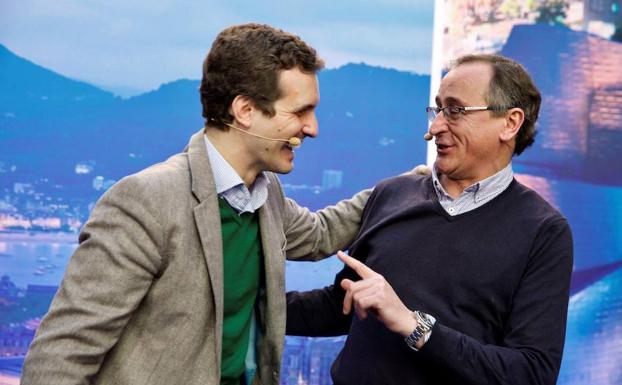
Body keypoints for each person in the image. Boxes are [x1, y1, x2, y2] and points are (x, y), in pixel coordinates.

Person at [21, 23, 372, 385]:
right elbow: (63, 355)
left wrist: (412, 185)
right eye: (300, 112)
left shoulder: (266, 197)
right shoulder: (146, 201)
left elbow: (321, 233)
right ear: (246, 110)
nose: (312, 128)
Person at [286, 54, 574, 385]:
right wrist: (241, 304)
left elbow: (531, 373)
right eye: (437, 110)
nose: (435, 126)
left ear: (510, 123)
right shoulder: (392, 193)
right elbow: (343, 304)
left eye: (455, 111)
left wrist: (415, 326)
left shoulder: (544, 232)